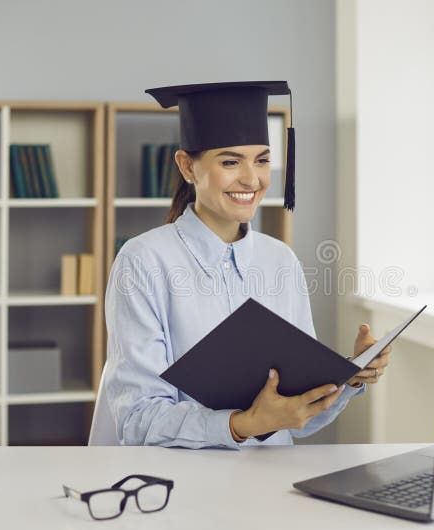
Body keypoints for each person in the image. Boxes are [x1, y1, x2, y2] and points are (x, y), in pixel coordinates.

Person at [104, 81, 391, 449]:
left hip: (272, 479)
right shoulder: (143, 262)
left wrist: (351, 375)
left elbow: (299, 421)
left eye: (262, 160)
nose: (252, 179)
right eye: (229, 161)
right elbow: (137, 421)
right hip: (183, 484)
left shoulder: (280, 260)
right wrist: (243, 425)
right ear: (187, 166)